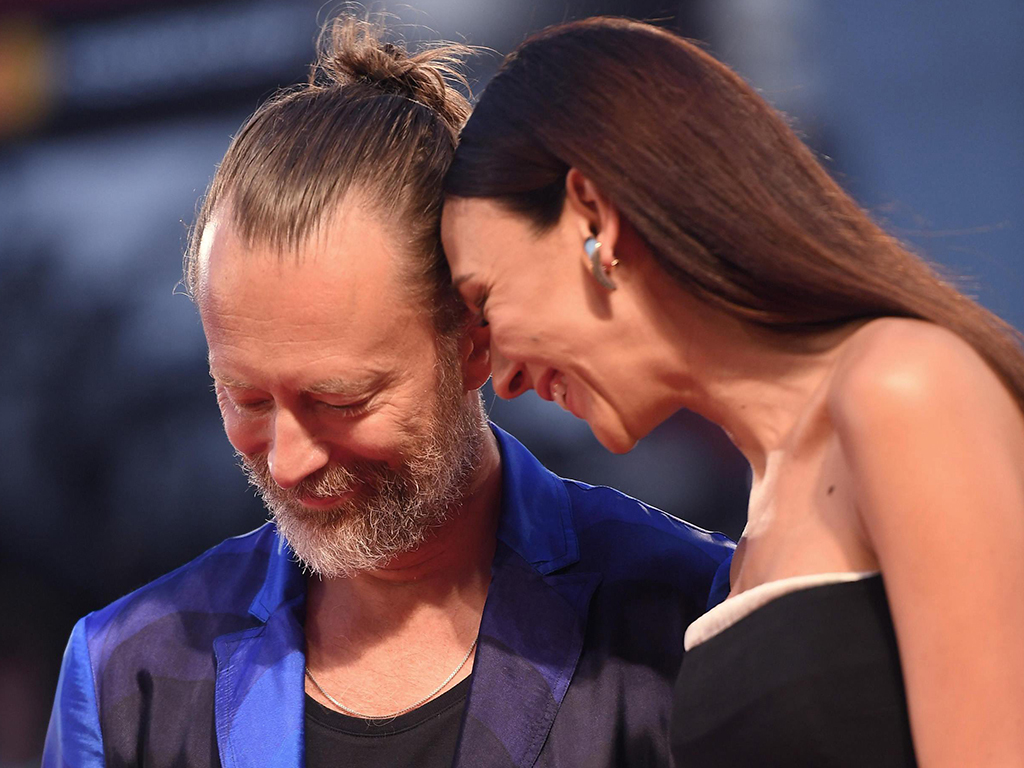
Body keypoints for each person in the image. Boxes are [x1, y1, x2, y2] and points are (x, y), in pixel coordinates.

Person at [41, 17, 733, 768]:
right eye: (245, 399)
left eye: (339, 401)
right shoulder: (127, 676)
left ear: (474, 341)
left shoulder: (686, 616)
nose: (288, 462)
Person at [441, 16, 1024, 768]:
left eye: (487, 299)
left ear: (594, 216)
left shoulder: (901, 388)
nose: (504, 375)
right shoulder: (752, 532)